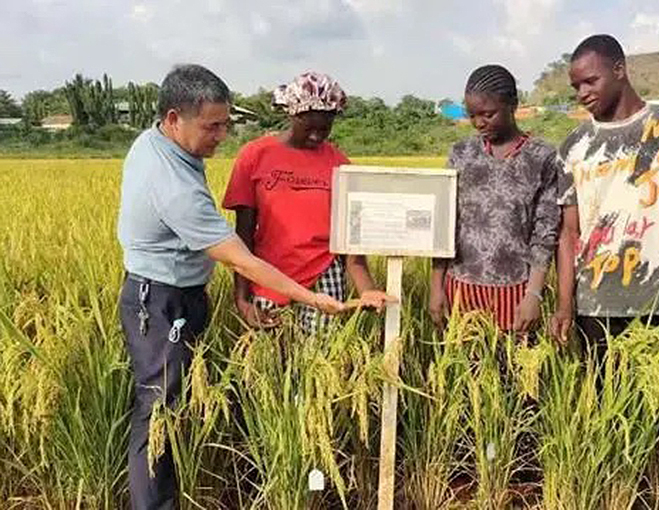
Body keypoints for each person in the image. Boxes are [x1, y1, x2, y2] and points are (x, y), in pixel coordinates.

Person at [117, 64, 345, 510]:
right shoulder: (174, 185)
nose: (222, 135)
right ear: (172, 119)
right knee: (159, 411)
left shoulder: (157, 144)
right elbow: (240, 254)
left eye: (226, 123)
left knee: (172, 405)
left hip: (176, 294)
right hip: (160, 302)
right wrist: (310, 296)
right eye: (212, 126)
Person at [549, 34, 659, 495]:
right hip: (595, 302)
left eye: (590, 81)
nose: (582, 94)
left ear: (620, 70)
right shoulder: (574, 145)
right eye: (575, 86)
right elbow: (569, 233)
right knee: (610, 407)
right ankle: (630, 494)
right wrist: (564, 305)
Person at [222, 71, 393, 334]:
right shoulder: (255, 156)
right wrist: (242, 298)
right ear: (293, 115)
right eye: (309, 128)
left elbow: (350, 242)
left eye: (324, 129)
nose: (316, 136)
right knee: (269, 361)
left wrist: (367, 290)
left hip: (324, 275)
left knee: (322, 357)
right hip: (268, 275)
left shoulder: (339, 164)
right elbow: (243, 234)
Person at [429, 64, 559, 334]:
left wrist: (533, 295)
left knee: (515, 372)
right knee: (466, 372)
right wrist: (436, 288)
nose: (479, 123)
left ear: (513, 104)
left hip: (517, 292)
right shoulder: (462, 154)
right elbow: (444, 225)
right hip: (460, 290)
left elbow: (545, 233)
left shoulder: (541, 157)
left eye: (488, 114)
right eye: (472, 115)